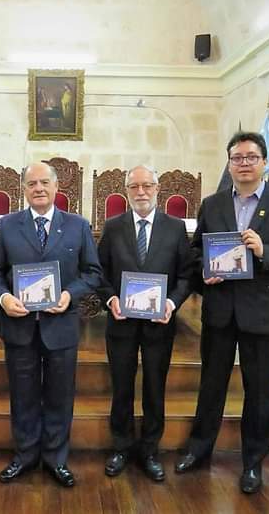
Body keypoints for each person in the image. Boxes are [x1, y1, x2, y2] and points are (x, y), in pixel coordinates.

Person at [174, 132, 269, 494]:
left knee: (259, 392)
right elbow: (195, 252)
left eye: (251, 157)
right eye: (237, 158)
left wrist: (265, 250)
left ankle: (253, 463)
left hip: (262, 315)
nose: (244, 164)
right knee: (211, 387)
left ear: (264, 162)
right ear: (229, 163)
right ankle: (199, 450)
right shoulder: (213, 203)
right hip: (220, 312)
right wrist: (205, 273)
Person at [0, 162, 101, 488]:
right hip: (19, 326)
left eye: (44, 183)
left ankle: (55, 459)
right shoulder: (7, 225)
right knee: (22, 395)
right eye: (32, 183)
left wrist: (69, 293)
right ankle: (24, 456)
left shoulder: (78, 226)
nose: (38, 188)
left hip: (60, 326)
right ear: (23, 189)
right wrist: (5, 299)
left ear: (56, 187)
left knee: (59, 396)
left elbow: (93, 273)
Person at [97, 165, 195, 482]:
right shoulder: (113, 227)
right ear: (126, 190)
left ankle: (150, 449)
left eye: (147, 185)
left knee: (155, 387)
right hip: (121, 324)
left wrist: (171, 303)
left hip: (159, 323)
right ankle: (122, 447)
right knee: (122, 387)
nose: (141, 192)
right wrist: (111, 300)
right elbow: (100, 273)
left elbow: (185, 275)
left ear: (157, 188)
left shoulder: (176, 228)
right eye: (134, 186)